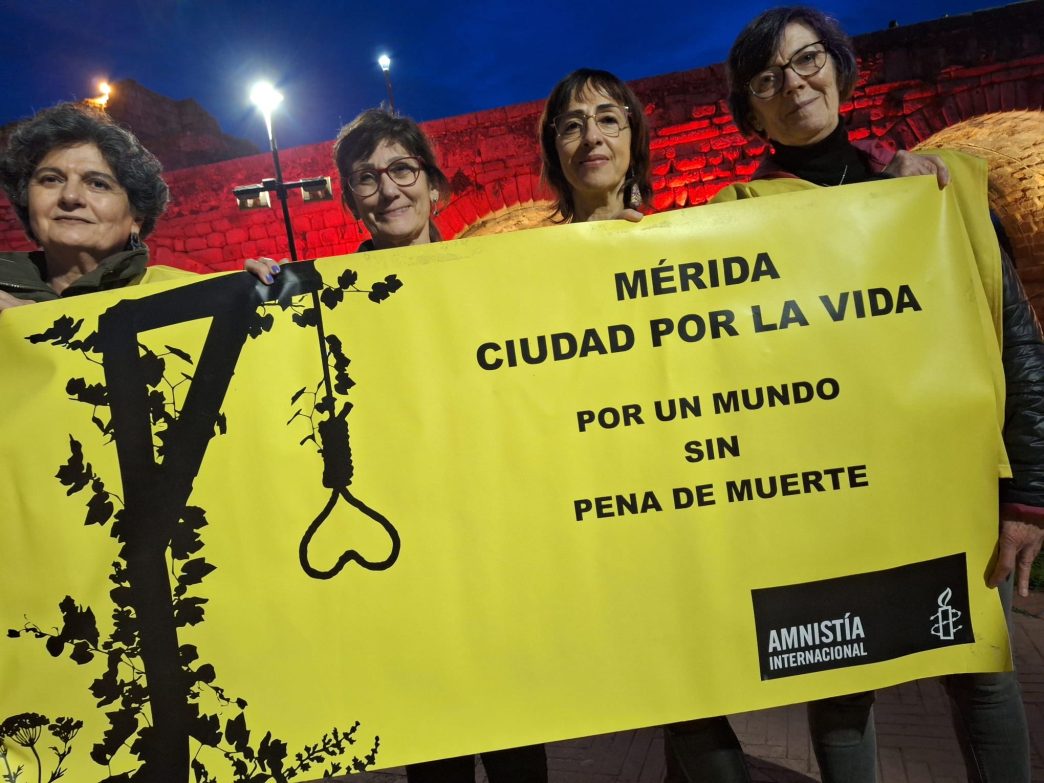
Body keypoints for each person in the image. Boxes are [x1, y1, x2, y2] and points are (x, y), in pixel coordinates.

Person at [664, 7, 1044, 783]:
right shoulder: (728, 224)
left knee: (982, 679)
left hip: (946, 488)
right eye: (767, 78)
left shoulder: (937, 189)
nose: (792, 84)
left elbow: (1015, 342)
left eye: (806, 61)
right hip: (820, 504)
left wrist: (1028, 494)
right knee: (840, 692)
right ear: (750, 110)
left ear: (839, 69)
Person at [276, 107, 544, 783]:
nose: (388, 189)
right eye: (367, 178)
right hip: (405, 558)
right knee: (436, 761)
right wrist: (260, 290)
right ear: (351, 201)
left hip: (495, 554)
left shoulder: (492, 273)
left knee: (520, 751)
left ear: (434, 186)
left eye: (402, 169)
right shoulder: (324, 303)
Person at [0, 102, 188, 313]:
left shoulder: (192, 298)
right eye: (51, 179)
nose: (70, 196)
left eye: (98, 184)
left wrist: (29, 331)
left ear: (136, 219)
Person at [538, 68, 651, 223]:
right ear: (555, 154)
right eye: (573, 125)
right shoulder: (540, 248)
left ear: (633, 144)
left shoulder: (672, 244)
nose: (591, 137)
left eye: (608, 120)